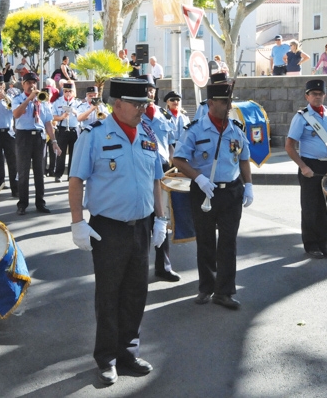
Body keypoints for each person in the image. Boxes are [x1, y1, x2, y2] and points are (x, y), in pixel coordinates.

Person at [68, 77, 165, 386]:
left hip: (142, 227)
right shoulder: (95, 135)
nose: (142, 109)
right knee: (109, 295)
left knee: (137, 292)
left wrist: (161, 219)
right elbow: (75, 179)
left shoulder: (148, 132)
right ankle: (107, 358)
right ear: (117, 104)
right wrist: (77, 222)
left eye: (145, 104)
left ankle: (128, 353)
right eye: (137, 105)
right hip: (108, 228)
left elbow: (156, 180)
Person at [174, 77, 253, 308]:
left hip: (231, 192)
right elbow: (178, 158)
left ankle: (225, 292)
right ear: (210, 102)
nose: (228, 106)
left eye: (229, 101)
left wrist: (248, 185)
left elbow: (245, 159)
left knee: (228, 242)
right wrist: (198, 178)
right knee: (206, 241)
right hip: (204, 192)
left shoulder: (236, 129)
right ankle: (206, 288)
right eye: (223, 101)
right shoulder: (195, 130)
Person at [285, 79, 327, 259]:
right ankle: (311, 245)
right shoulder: (301, 117)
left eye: (320, 94)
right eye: (313, 94)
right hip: (310, 165)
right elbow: (289, 145)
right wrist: (303, 167)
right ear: (307, 96)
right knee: (310, 207)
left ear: (324, 95)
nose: (317, 97)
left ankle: (324, 244)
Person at [141, 77, 180, 282]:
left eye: (152, 90)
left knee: (162, 218)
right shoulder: (134, 114)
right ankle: (139, 267)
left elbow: (170, 144)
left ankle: (163, 266)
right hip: (142, 169)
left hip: (163, 169)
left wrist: (177, 166)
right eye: (146, 89)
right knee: (142, 219)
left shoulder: (164, 114)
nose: (150, 93)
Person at [12, 72, 61, 215]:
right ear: (23, 84)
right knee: (23, 172)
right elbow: (16, 114)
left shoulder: (43, 100)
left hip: (39, 137)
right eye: (28, 82)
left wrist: (54, 141)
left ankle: (40, 203)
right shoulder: (18, 99)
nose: (32, 85)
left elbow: (47, 122)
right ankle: (22, 204)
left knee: (40, 172)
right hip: (23, 137)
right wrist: (29, 100)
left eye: (34, 82)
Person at [52, 81, 80, 183]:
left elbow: (81, 116)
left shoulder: (78, 103)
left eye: (70, 91)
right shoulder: (58, 102)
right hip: (62, 129)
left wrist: (74, 111)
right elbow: (53, 116)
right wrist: (61, 117)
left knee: (74, 153)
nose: (68, 93)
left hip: (74, 129)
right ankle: (58, 174)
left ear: (73, 92)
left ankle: (71, 175)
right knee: (60, 153)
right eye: (66, 91)